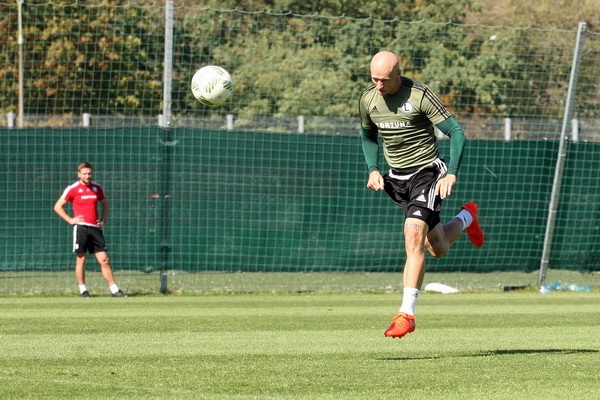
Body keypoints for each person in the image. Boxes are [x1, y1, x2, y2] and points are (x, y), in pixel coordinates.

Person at [359, 51, 484, 338]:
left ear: (398, 74)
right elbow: (367, 135)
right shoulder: (368, 99)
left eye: (385, 80)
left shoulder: (419, 95)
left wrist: (451, 171)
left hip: (428, 172)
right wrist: (372, 169)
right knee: (436, 247)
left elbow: (456, 132)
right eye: (374, 79)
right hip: (397, 179)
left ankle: (407, 314)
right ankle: (467, 217)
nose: (379, 85)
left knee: (412, 235)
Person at [53, 162, 127, 298]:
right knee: (81, 259)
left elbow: (105, 204)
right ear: (79, 174)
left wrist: (103, 219)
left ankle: (114, 290)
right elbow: (57, 206)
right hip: (81, 228)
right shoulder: (72, 188)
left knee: (104, 260)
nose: (87, 176)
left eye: (89, 173)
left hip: (95, 228)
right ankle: (83, 290)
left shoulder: (97, 187)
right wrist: (70, 220)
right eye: (85, 174)